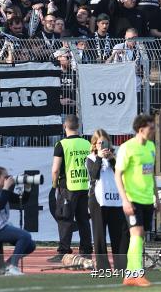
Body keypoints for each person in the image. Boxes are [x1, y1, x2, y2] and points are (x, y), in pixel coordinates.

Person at [114, 114, 156, 287]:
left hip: (147, 200)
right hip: (133, 199)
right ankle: (137, 274)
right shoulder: (127, 148)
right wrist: (125, 200)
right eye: (151, 128)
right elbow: (118, 175)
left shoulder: (151, 147)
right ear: (141, 129)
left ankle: (130, 275)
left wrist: (156, 197)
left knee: (139, 237)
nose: (154, 130)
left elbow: (150, 174)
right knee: (137, 234)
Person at [50, 114, 93, 262]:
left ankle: (64, 252)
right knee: (83, 220)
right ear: (78, 127)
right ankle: (86, 251)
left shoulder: (61, 144)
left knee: (65, 219)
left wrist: (55, 184)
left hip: (67, 187)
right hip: (85, 186)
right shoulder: (87, 144)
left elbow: (55, 169)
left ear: (65, 126)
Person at [86, 129, 128, 271]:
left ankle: (121, 266)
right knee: (100, 235)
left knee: (120, 234)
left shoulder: (116, 158)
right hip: (98, 201)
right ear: (94, 144)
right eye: (99, 143)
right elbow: (94, 174)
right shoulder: (91, 158)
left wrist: (111, 159)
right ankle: (103, 267)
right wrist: (99, 157)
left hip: (116, 199)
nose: (103, 145)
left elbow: (121, 174)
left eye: (105, 142)